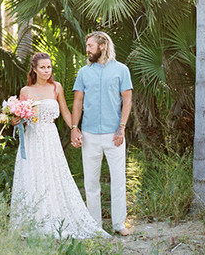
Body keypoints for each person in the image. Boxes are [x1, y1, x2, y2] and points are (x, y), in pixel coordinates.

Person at [9, 52, 107, 239]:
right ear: (35, 69)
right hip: (31, 140)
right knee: (32, 176)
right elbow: (19, 120)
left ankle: (57, 218)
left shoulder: (56, 88)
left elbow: (65, 112)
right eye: (43, 67)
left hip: (50, 138)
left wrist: (74, 128)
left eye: (49, 67)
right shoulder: (25, 91)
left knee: (53, 175)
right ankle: (33, 222)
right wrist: (15, 118)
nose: (47, 71)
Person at [71, 32, 133, 236]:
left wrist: (121, 127)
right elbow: (78, 102)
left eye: (90, 45)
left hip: (114, 135)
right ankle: (95, 226)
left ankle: (118, 224)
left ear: (103, 45)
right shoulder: (83, 72)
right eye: (87, 45)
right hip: (89, 135)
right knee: (90, 182)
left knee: (118, 180)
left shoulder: (121, 70)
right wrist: (74, 128)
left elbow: (127, 100)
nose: (87, 49)